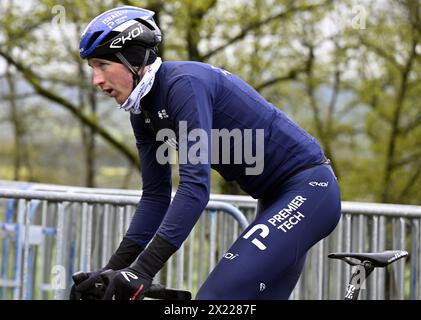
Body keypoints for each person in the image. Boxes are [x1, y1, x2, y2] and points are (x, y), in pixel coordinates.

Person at [74, 6, 341, 300]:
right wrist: (111, 272)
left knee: (216, 298)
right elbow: (155, 196)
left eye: (102, 65)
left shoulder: (183, 85)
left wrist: (144, 270)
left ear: (133, 60)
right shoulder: (143, 113)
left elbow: (195, 186)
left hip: (310, 189)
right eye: (92, 69)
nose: (96, 81)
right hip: (273, 199)